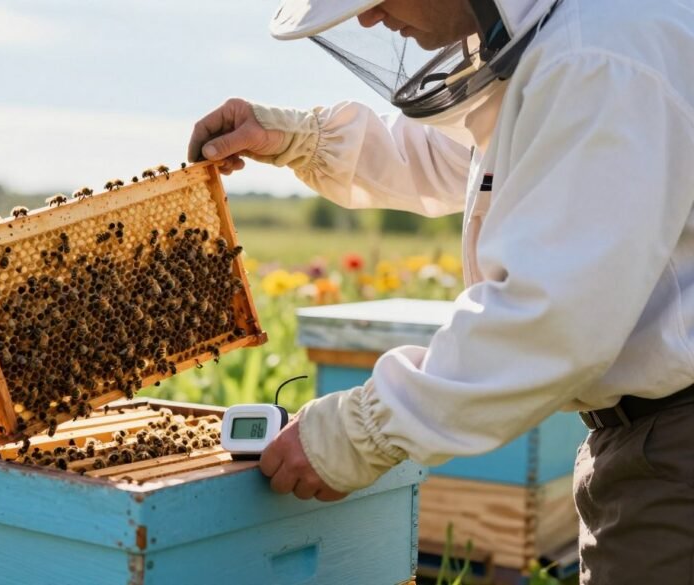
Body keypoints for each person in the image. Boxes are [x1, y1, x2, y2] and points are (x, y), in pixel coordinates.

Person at [187, 0, 694, 582]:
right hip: (653, 439)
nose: (369, 20)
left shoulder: (598, 56)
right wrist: (299, 139)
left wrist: (360, 430)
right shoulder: (568, 40)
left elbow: (547, 319)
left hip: (676, 444)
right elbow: (466, 160)